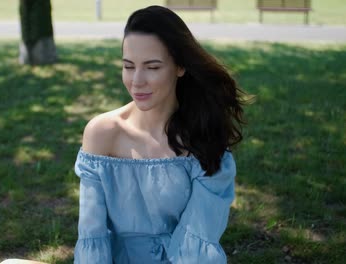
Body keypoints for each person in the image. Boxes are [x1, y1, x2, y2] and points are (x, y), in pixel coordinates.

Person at [73, 5, 246, 264]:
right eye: (128, 66)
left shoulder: (205, 140)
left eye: (152, 67)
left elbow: (195, 251)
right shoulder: (101, 134)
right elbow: (92, 238)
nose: (137, 81)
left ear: (180, 67)